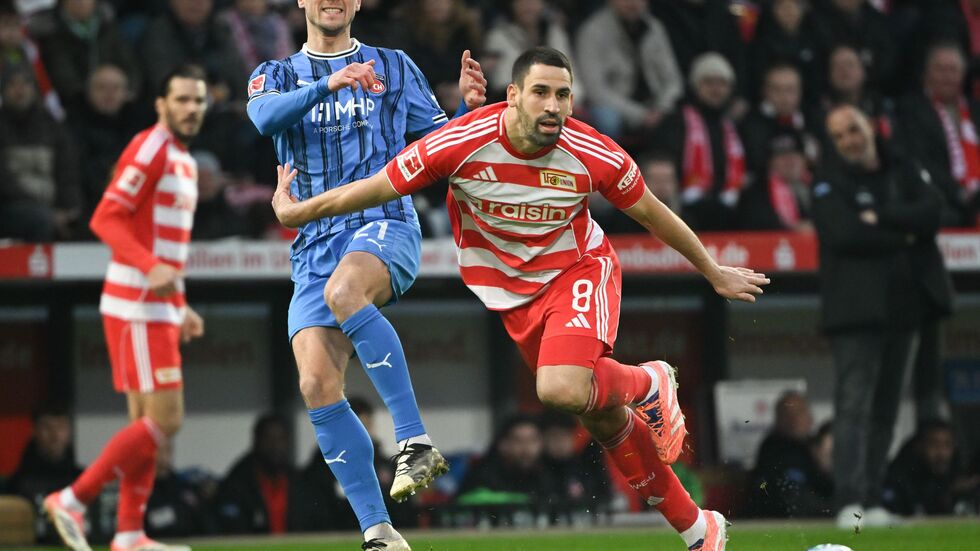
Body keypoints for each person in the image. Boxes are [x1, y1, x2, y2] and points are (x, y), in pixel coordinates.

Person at [272, 46, 771, 551]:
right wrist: (299, 213)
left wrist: (711, 271)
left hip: (578, 271)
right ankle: (698, 530)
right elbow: (373, 189)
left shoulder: (593, 152)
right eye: (540, 93)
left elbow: (652, 212)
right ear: (512, 96)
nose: (553, 105)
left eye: (563, 95)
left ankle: (649, 381)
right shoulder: (463, 141)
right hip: (513, 298)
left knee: (559, 388)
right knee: (598, 413)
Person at [245, 0, 486, 549]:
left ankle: (414, 440)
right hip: (311, 242)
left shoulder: (395, 65)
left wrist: (474, 115)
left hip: (383, 221)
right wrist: (331, 85)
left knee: (345, 291)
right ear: (302, 1)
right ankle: (379, 530)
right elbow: (264, 118)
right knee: (314, 382)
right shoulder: (274, 74)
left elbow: (441, 146)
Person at [42, 65, 208, 551]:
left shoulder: (183, 159)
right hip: (135, 304)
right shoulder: (151, 148)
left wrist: (180, 305)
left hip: (156, 306)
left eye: (198, 101)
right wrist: (151, 269)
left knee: (146, 426)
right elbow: (106, 217)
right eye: (181, 100)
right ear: (160, 104)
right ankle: (73, 498)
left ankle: (130, 534)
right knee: (167, 419)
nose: (191, 109)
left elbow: (163, 246)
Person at [813, 105, 944, 530]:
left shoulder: (902, 166)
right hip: (855, 312)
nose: (850, 139)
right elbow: (845, 233)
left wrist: (883, 218)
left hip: (904, 308)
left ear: (869, 126)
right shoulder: (829, 181)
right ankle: (849, 502)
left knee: (886, 409)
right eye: (839, 136)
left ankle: (873, 499)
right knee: (854, 407)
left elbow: (933, 213)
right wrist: (904, 233)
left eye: (854, 129)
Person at [654, 53, 747, 231]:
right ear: (696, 85)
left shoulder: (733, 126)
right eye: (709, 82)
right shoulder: (676, 121)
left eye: (722, 83)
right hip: (683, 208)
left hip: (727, 207)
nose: (716, 89)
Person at [213, 414, 305, 534]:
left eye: (280, 439)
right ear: (256, 440)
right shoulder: (238, 483)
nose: (275, 446)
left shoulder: (299, 482)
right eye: (269, 438)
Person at [746, 391, 833, 518]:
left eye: (801, 413)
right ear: (779, 419)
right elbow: (792, 498)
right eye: (789, 415)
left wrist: (825, 465)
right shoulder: (774, 448)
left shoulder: (812, 445)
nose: (795, 420)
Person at [6, 405, 83, 545]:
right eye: (47, 427)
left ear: (69, 431)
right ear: (34, 431)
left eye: (60, 427)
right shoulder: (18, 482)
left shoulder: (82, 478)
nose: (55, 435)